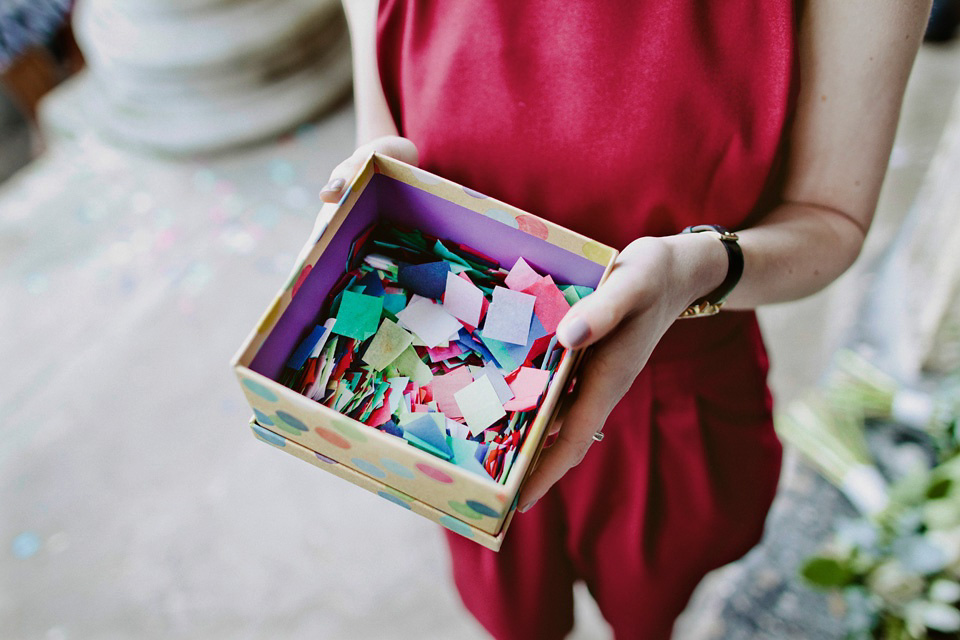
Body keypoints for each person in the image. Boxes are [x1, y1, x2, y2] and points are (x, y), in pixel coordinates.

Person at [319, 1, 932, 638]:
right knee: (515, 614)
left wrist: (694, 270)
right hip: (466, 402)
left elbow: (830, 217)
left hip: (671, 397)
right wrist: (367, 195)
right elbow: (386, 139)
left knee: (651, 612)